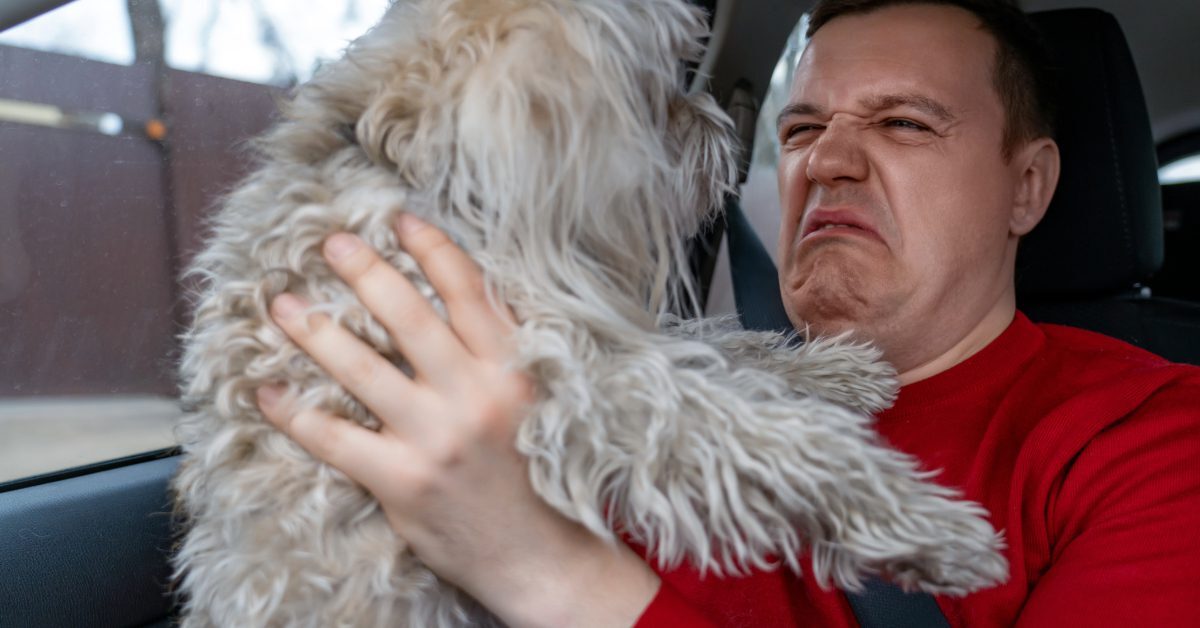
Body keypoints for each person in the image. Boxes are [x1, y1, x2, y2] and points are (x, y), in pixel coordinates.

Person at [253, 0, 1200, 625]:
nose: (826, 160)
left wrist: (538, 564)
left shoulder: (1154, 435)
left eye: (903, 122)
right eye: (799, 129)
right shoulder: (610, 380)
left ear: (1026, 189)